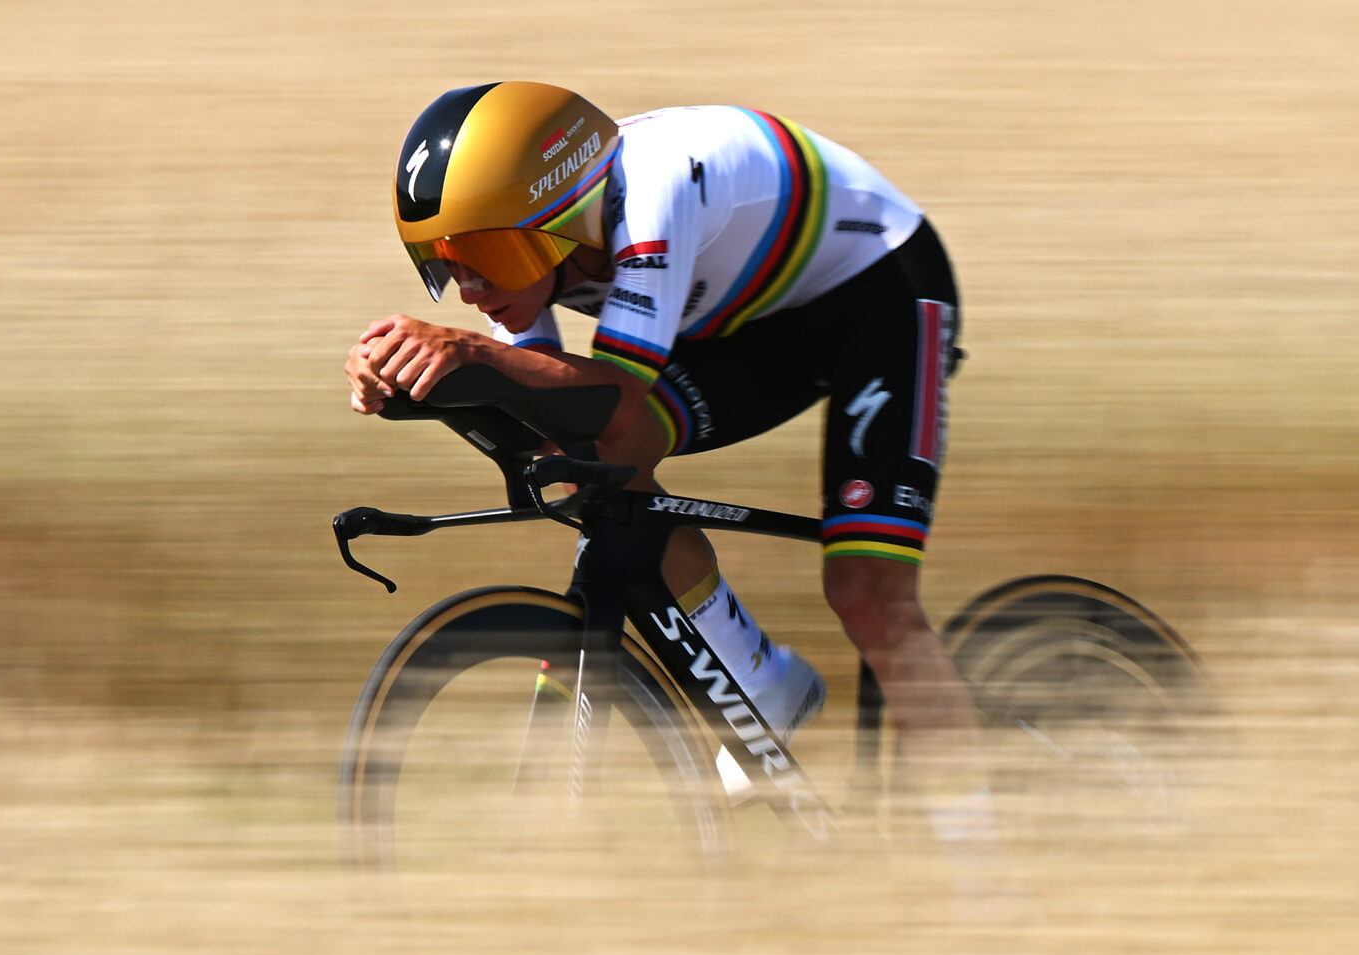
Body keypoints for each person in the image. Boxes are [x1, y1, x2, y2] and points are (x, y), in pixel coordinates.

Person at [345, 82, 993, 848]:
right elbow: (552, 418)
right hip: (743, 318)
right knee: (586, 460)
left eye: (485, 256)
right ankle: (759, 679)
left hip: (878, 295)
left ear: (561, 220)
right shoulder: (541, 235)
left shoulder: (655, 195)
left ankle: (982, 873)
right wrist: (406, 381)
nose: (469, 290)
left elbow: (616, 403)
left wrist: (474, 356)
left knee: (868, 594)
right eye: (444, 262)